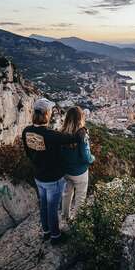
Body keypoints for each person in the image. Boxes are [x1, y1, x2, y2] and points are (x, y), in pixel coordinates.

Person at [22, 98, 85, 245]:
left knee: (43, 205)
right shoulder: (51, 135)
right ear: (46, 114)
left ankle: (46, 232)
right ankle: (55, 236)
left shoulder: (26, 131)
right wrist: (83, 129)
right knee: (52, 208)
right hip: (53, 179)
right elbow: (74, 138)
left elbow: (28, 153)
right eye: (49, 111)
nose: (51, 113)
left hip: (38, 176)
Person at [60, 106, 95, 221]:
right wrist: (92, 159)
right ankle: (77, 221)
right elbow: (86, 157)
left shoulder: (61, 132)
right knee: (80, 196)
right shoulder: (82, 134)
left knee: (66, 193)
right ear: (80, 118)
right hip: (79, 172)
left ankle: (65, 216)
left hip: (65, 171)